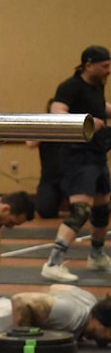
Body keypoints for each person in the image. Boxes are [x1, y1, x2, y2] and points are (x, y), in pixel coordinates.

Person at [41, 45, 111, 283]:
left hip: (98, 155)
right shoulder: (70, 86)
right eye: (105, 66)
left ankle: (97, 255)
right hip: (78, 156)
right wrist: (87, 122)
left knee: (102, 208)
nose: (108, 70)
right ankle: (53, 263)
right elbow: (57, 111)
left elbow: (100, 108)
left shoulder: (98, 85)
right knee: (81, 210)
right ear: (88, 65)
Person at [27, 100, 67, 218]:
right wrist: (48, 125)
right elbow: (30, 143)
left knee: (81, 209)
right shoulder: (44, 128)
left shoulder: (73, 128)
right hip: (50, 179)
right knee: (45, 210)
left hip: (72, 178)